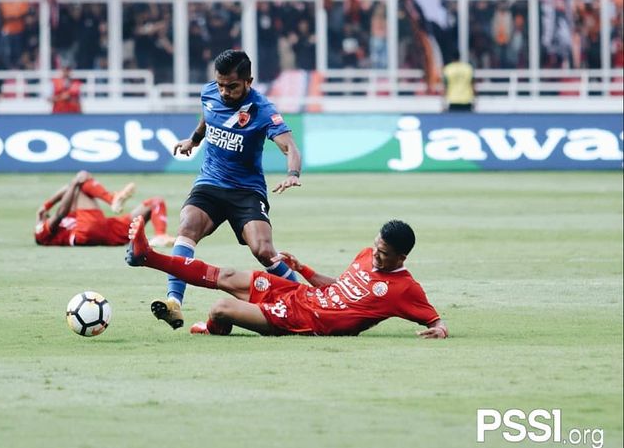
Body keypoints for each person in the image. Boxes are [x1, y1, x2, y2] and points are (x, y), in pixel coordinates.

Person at [154, 49, 302, 330]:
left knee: (263, 250)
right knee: (187, 227)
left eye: (232, 86)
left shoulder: (263, 110)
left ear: (249, 81)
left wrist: (293, 173)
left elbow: (289, 146)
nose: (224, 92)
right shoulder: (210, 93)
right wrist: (194, 140)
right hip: (210, 182)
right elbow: (207, 118)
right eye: (220, 84)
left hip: (246, 190)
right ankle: (174, 303)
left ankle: (302, 300)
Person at [126, 216, 448, 339]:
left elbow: (436, 321)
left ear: (401, 258)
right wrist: (303, 269)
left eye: (383, 254)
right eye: (376, 247)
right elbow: (340, 288)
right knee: (225, 274)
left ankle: (210, 330)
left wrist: (439, 331)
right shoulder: (365, 254)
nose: (375, 255)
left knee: (220, 308)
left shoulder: (405, 288)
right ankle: (147, 256)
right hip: (300, 295)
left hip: (302, 321)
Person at [35, 171, 175, 248]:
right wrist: (76, 181)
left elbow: (68, 190)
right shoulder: (41, 232)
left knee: (156, 202)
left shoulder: (70, 218)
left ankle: (160, 236)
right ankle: (111, 199)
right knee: (80, 182)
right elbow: (60, 213)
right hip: (84, 232)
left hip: (108, 230)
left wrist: (46, 205)